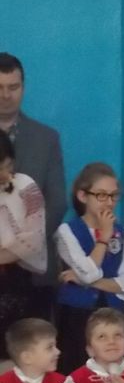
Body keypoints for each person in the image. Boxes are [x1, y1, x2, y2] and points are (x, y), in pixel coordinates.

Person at [0, 53, 67, 320]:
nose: (6, 95)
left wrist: (20, 248)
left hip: (34, 271)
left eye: (13, 87)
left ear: (23, 88)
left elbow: (57, 202)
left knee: (35, 342)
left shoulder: (46, 138)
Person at [55, 162, 124, 375]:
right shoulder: (67, 231)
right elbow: (89, 271)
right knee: (76, 374)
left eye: (114, 196)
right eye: (101, 195)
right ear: (83, 196)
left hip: (114, 317)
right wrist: (103, 238)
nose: (109, 202)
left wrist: (86, 281)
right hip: (76, 316)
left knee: (115, 374)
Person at [0, 129, 47, 367]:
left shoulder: (26, 186)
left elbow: (34, 240)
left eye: (8, 165)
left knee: (19, 357)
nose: (5, 174)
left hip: (18, 280)